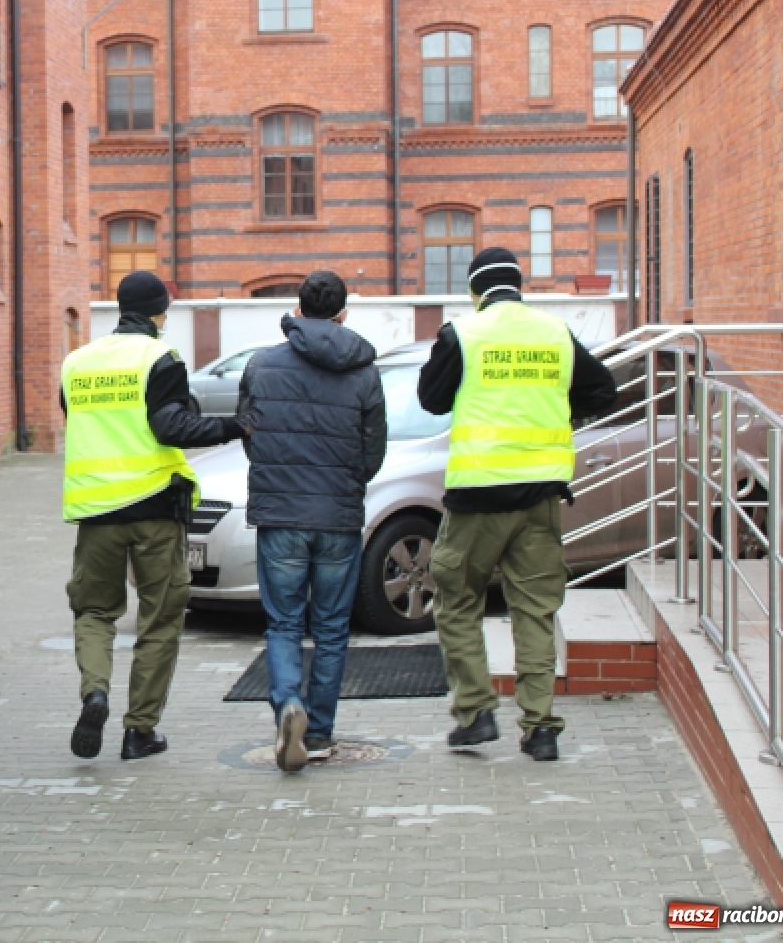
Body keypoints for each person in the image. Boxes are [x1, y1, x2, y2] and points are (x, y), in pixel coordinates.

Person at [417, 247, 616, 761]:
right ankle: (541, 728)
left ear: (474, 291)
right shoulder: (555, 333)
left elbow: (432, 400)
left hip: (478, 497)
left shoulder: (463, 332)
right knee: (534, 610)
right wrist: (555, 408)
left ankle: (477, 712)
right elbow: (604, 391)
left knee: (458, 598)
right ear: (519, 286)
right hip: (543, 496)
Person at [60, 271, 247, 761]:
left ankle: (94, 692)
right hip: (154, 509)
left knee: (94, 611)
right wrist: (235, 427)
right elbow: (171, 428)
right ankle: (139, 730)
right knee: (160, 618)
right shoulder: (159, 358)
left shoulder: (76, 362)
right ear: (160, 312)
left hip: (96, 510)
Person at [236, 271, 386, 773]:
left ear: (297, 310)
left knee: (283, 622)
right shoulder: (364, 369)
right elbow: (373, 450)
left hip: (281, 515)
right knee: (331, 627)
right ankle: (318, 732)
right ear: (344, 313)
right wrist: (349, 484)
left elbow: (249, 433)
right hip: (338, 516)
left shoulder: (261, 364)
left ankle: (287, 705)